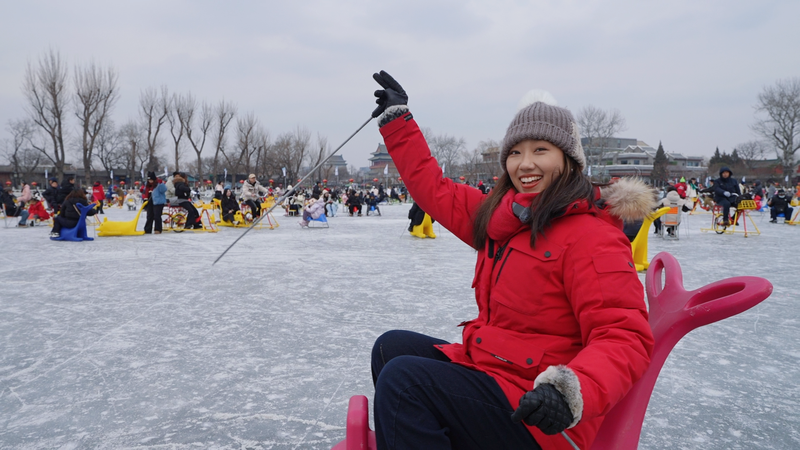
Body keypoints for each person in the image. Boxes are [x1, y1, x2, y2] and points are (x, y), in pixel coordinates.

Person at [367, 71, 654, 450]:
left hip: (542, 412)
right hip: (497, 371)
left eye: (541, 150)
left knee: (405, 382)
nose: (525, 164)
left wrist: (568, 391)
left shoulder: (592, 235)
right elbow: (434, 189)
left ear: (568, 159)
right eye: (516, 152)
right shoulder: (503, 216)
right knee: (391, 349)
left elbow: (624, 335)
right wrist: (399, 121)